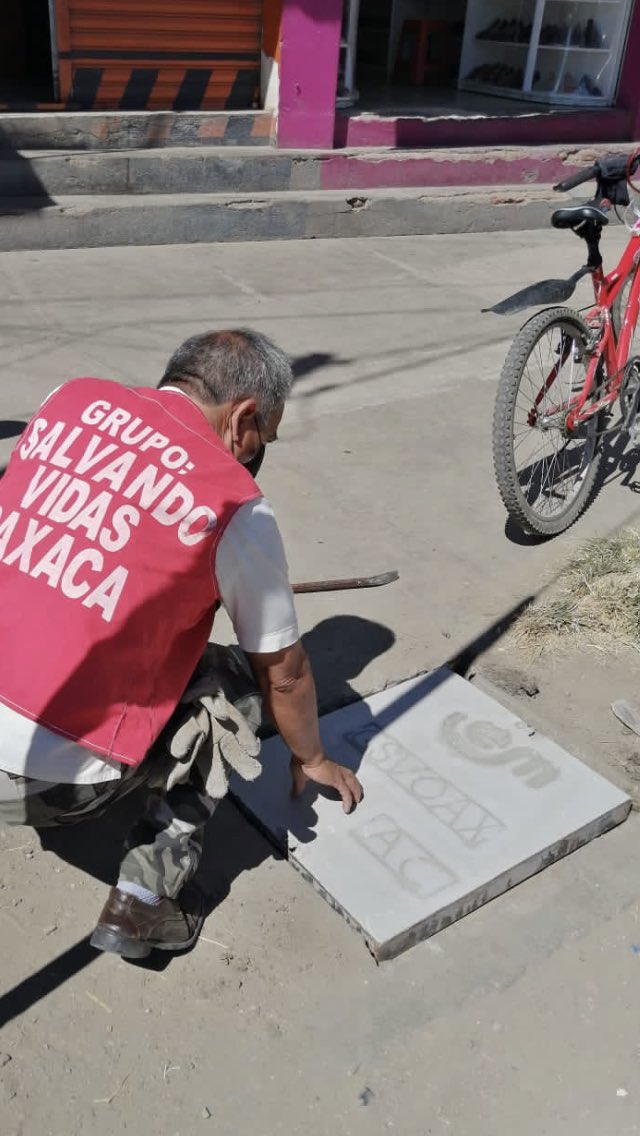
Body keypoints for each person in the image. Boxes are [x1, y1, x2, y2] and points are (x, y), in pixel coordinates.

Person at [0, 328, 363, 958]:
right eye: (262, 438)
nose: (256, 452)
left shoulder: (68, 400)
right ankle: (143, 904)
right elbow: (285, 674)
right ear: (244, 415)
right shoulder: (233, 503)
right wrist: (309, 758)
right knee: (230, 691)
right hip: (34, 781)